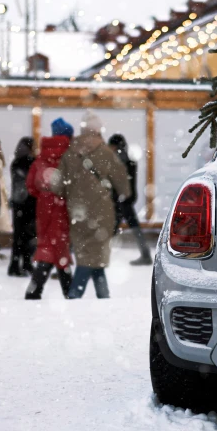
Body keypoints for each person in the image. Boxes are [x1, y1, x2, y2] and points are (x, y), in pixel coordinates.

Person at [54, 112, 130, 299]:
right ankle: (75, 296)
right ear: (98, 130)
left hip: (77, 213)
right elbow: (124, 187)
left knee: (90, 257)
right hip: (101, 213)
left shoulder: (70, 153)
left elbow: (56, 186)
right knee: (93, 258)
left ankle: (103, 298)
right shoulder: (106, 153)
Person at [24, 118, 74, 299]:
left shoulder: (41, 156)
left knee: (50, 246)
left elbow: (30, 186)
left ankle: (37, 291)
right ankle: (68, 293)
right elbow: (75, 186)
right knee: (57, 249)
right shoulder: (70, 156)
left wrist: (45, 196)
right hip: (63, 208)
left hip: (43, 209)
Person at [108, 134, 152, 265]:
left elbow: (117, 181)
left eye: (111, 145)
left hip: (121, 199)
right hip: (126, 198)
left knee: (118, 227)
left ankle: (102, 257)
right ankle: (145, 254)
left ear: (115, 146)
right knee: (125, 226)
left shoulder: (119, 159)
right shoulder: (128, 158)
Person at [9, 137, 37, 276]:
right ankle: (24, 264)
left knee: (18, 236)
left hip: (17, 203)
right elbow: (33, 181)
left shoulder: (16, 162)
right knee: (27, 236)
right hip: (28, 204)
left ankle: (16, 264)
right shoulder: (30, 162)